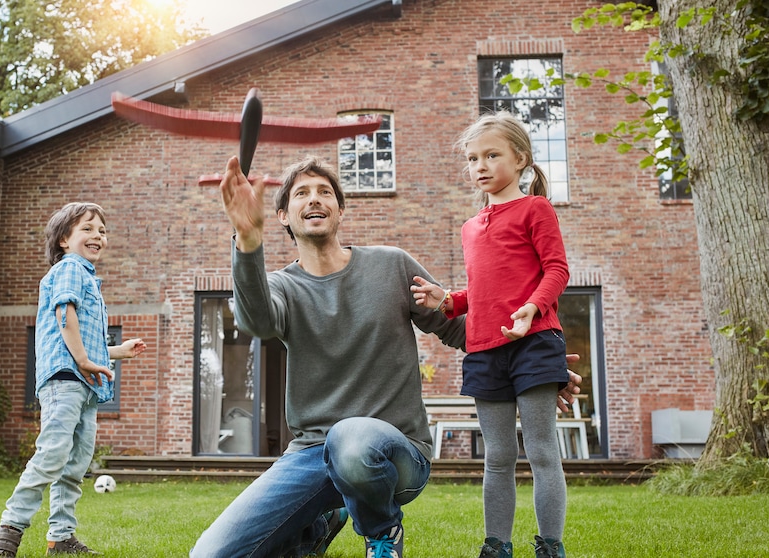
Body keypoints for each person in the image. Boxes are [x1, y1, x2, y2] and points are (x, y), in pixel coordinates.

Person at [193, 155, 579, 558]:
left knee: (351, 438)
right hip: (310, 453)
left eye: (325, 192)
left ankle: (381, 532)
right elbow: (255, 320)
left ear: (341, 210)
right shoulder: (283, 288)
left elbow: (464, 329)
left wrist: (536, 361)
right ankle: (319, 526)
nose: (315, 200)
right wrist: (247, 240)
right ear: (283, 217)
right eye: (302, 194)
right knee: (212, 554)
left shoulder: (392, 265)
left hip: (396, 453)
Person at [411, 111, 572, 558]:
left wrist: (532, 308)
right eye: (472, 158)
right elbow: (483, 289)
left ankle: (550, 546)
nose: (479, 165)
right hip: (484, 349)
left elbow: (557, 269)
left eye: (491, 155)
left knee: (541, 451)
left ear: (520, 158)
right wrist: (449, 300)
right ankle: (497, 546)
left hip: (535, 342)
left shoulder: (535, 209)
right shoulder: (470, 226)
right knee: (497, 457)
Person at [0, 202, 147, 558]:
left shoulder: (87, 276)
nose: (98, 236)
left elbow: (85, 338)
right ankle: (8, 533)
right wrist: (86, 360)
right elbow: (65, 316)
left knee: (74, 464)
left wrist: (118, 351)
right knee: (53, 454)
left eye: (102, 231)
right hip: (64, 378)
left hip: (83, 382)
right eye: (87, 228)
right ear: (63, 240)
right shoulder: (70, 269)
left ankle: (61, 539)